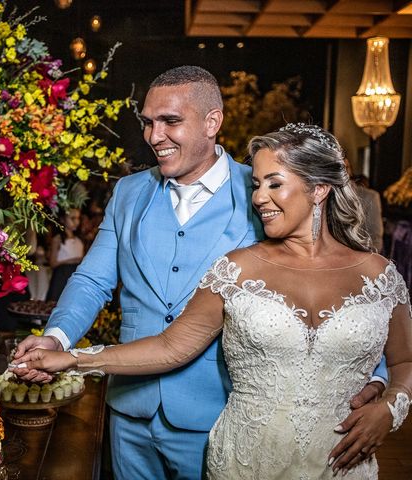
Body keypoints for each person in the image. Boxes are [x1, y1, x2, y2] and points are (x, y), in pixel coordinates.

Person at [13, 124, 412, 479]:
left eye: (274, 184)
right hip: (245, 457)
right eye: (256, 184)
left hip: (339, 462)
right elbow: (169, 343)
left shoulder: (379, 274)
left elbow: (398, 360)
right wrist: (72, 356)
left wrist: (388, 405)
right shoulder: (235, 268)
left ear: (319, 189)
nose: (258, 197)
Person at [14, 65, 264, 479]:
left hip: (218, 412)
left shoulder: (258, 193)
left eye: (171, 121)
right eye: (148, 122)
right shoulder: (129, 192)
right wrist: (56, 337)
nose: (154, 136)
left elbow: (314, 283)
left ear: (212, 122)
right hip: (129, 410)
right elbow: (93, 279)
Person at [344, 157, 384, 253]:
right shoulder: (316, 196)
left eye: (345, 168)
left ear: (350, 171)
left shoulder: (369, 197)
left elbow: (375, 240)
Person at [45, 207, 84, 302]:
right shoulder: (57, 239)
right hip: (61, 277)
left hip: (75, 277)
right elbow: (52, 263)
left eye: (78, 218)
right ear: (63, 219)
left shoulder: (79, 240)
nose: (76, 222)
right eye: (72, 218)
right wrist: (71, 261)